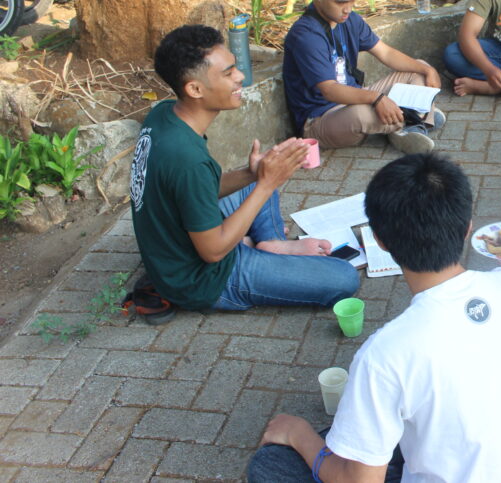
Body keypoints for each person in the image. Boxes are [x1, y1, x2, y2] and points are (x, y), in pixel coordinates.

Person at [248, 154, 501, 483]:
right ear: (468, 228)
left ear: (379, 240)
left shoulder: (384, 354)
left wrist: (299, 434)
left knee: (271, 464)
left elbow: (360, 481)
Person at [129, 25, 360, 315]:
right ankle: (255, 248)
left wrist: (254, 174)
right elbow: (213, 251)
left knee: (259, 176)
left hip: (178, 243)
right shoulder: (187, 159)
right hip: (204, 279)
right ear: (195, 89)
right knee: (344, 278)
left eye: (235, 68)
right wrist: (267, 184)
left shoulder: (164, 114)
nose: (240, 76)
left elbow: (198, 187)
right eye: (228, 73)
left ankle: (272, 244)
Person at [283, 0, 445, 154]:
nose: (348, 9)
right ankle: (417, 117)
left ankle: (406, 124)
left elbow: (386, 53)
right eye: (341, 2)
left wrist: (428, 70)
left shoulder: (350, 19)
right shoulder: (306, 34)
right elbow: (330, 90)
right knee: (362, 114)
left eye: (353, 1)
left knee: (419, 69)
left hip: (355, 97)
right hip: (321, 118)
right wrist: (376, 99)